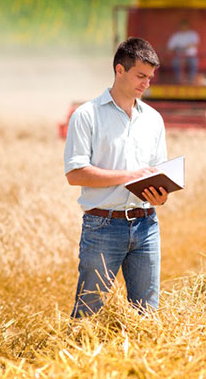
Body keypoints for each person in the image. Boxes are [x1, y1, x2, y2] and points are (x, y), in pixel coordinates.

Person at [64, 37, 169, 318]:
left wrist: (161, 195)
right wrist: (129, 176)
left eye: (150, 77)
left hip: (147, 226)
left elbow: (157, 172)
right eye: (140, 75)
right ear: (119, 70)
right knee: (89, 314)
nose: (146, 83)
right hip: (102, 227)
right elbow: (75, 174)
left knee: (146, 316)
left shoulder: (154, 120)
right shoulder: (86, 116)